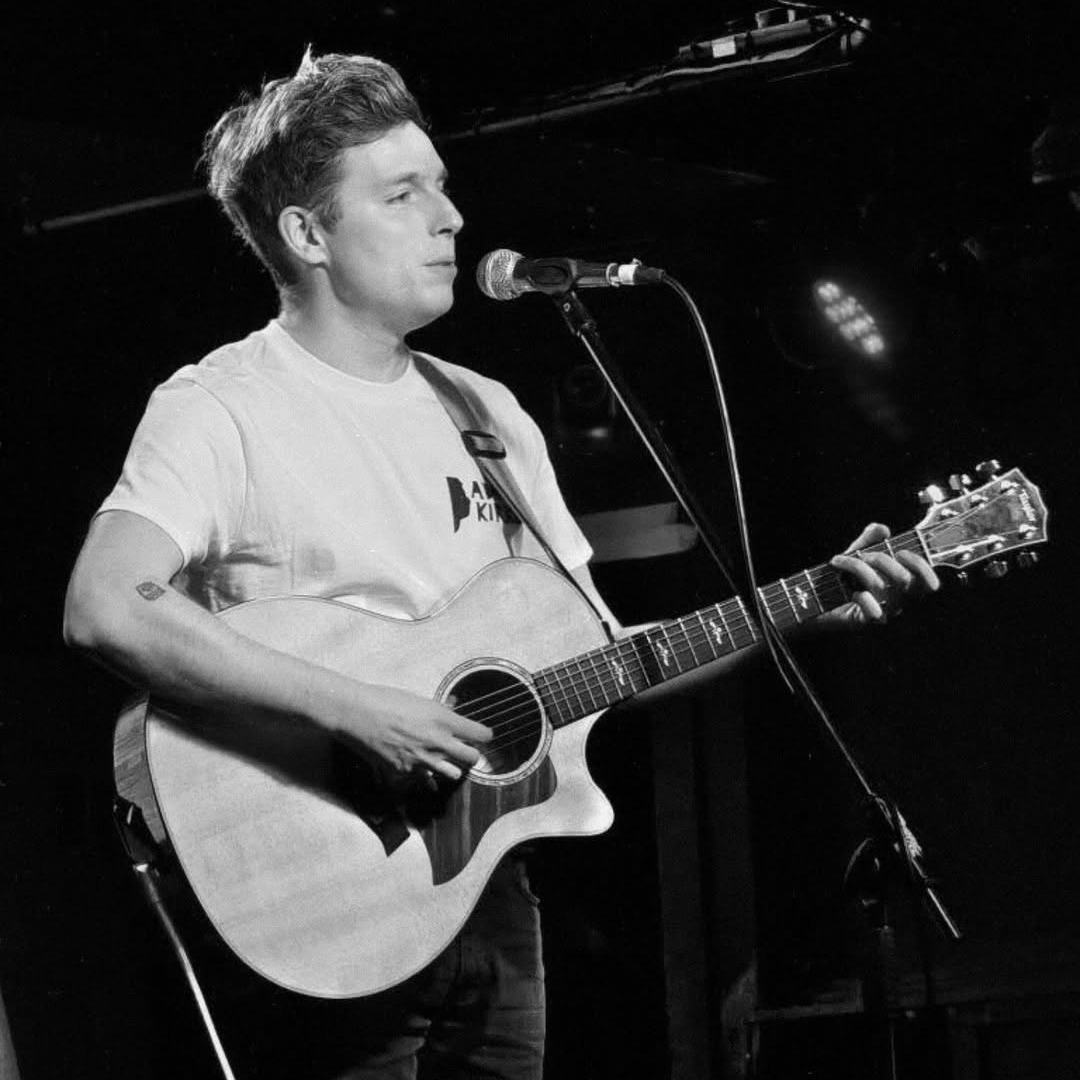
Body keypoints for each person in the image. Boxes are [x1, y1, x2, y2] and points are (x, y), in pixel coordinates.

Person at [63, 49, 938, 1080]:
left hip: (487, 893)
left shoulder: (487, 413)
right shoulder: (220, 408)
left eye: (441, 185)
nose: (452, 218)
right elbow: (107, 606)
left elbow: (609, 657)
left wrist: (799, 606)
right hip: (319, 888)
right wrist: (360, 710)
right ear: (307, 234)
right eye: (403, 194)